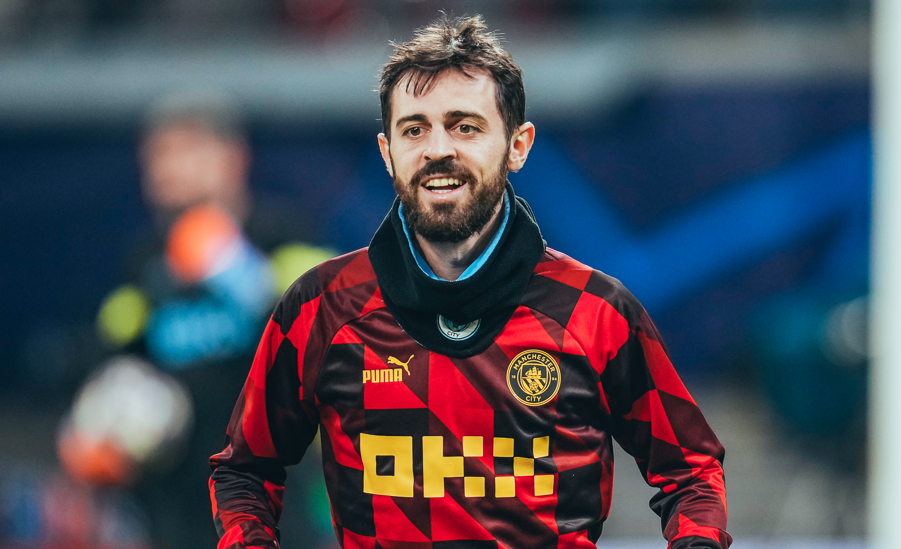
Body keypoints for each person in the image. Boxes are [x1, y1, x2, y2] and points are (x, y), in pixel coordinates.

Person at [210, 15, 731, 549]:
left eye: (465, 126)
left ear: (518, 146)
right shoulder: (323, 307)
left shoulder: (595, 312)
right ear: (388, 153)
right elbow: (243, 471)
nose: (438, 149)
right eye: (414, 129)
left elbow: (691, 475)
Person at [85, 90, 336, 549]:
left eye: (183, 151)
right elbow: (114, 352)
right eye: (155, 158)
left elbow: (338, 326)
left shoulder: (281, 234)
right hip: (176, 513)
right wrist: (98, 423)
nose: (166, 171)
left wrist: (238, 270)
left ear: (232, 157)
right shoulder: (145, 265)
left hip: (280, 505)